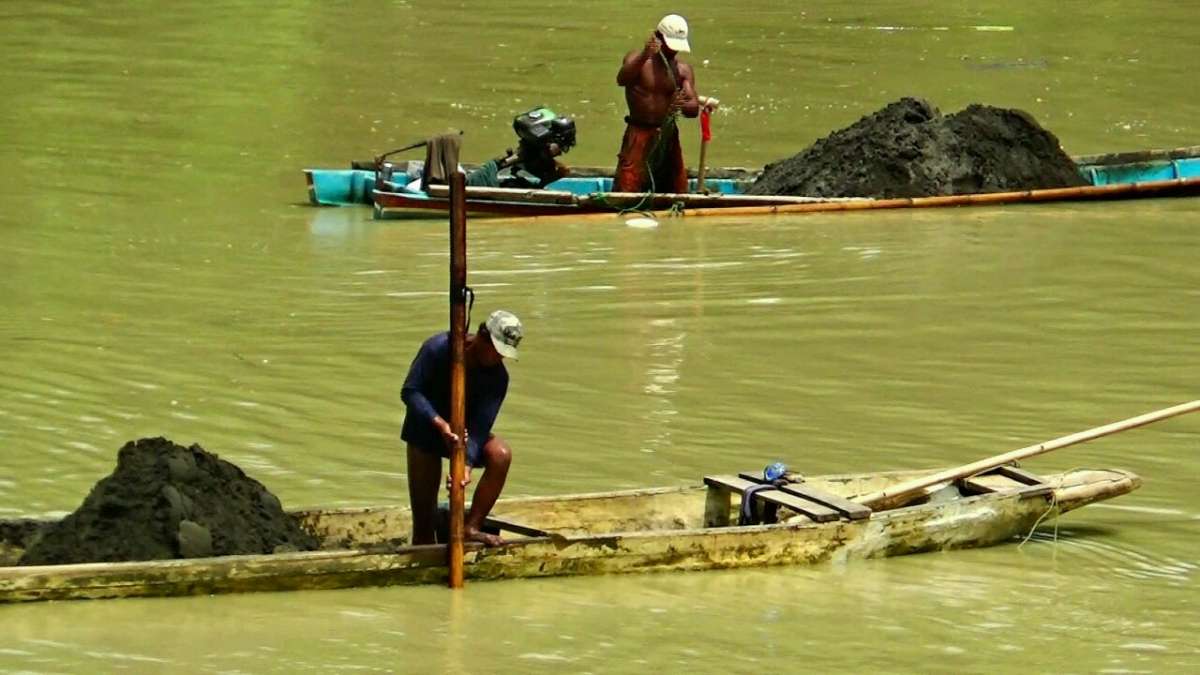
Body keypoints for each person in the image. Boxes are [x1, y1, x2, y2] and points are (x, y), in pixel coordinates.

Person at [401, 310, 523, 547]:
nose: (499, 358)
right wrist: (440, 423)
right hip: (425, 430)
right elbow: (410, 392)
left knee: (500, 455)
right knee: (424, 534)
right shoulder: (438, 348)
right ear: (482, 335)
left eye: (504, 354)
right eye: (496, 350)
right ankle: (425, 542)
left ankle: (471, 527)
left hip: (463, 435)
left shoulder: (498, 378)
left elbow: (480, 427)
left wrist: (466, 465)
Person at [614, 14, 703, 193]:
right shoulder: (637, 60)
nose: (673, 51)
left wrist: (677, 103)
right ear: (657, 37)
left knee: (676, 187)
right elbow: (622, 79)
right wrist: (645, 54)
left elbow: (693, 109)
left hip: (667, 133)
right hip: (639, 132)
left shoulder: (682, 70)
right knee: (628, 184)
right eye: (670, 45)